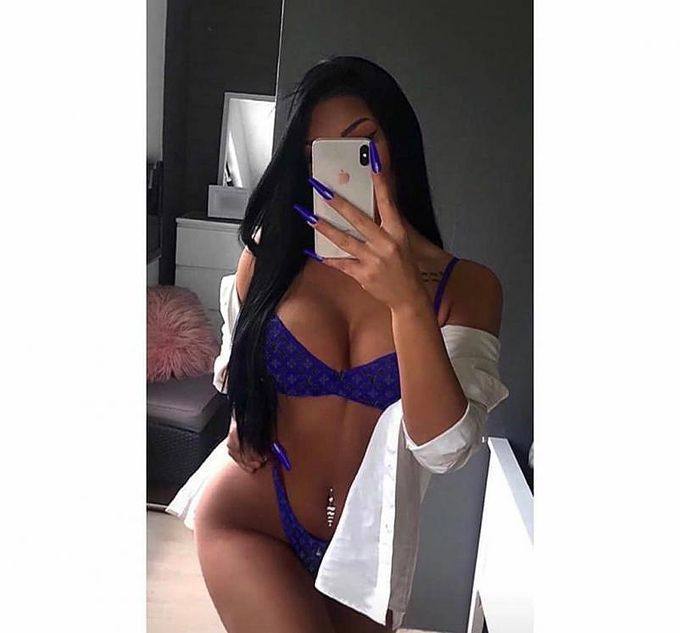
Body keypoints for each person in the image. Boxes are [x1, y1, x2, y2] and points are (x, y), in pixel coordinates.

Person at [166, 56, 510, 632]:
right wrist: (247, 411)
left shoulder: (466, 287)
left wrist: (407, 302)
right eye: (320, 152)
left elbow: (444, 449)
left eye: (361, 143)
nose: (341, 167)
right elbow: (236, 361)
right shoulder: (271, 257)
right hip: (252, 518)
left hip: (367, 556)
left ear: (399, 142)